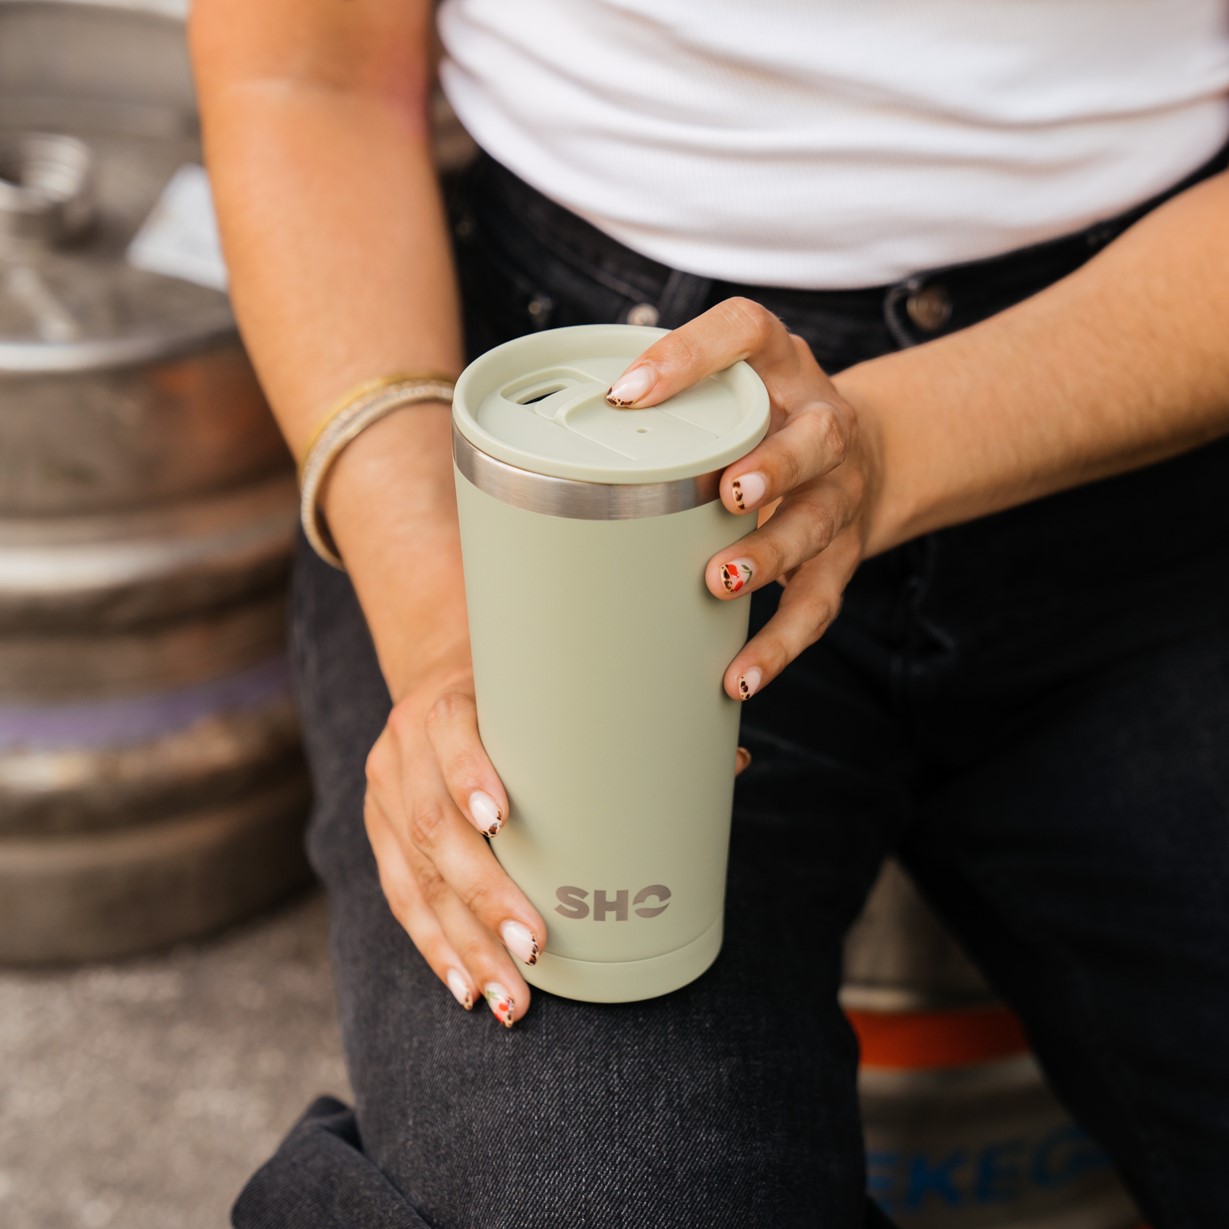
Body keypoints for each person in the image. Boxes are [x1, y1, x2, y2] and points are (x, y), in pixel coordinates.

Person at [189, 2, 1229, 1225]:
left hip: (1139, 380)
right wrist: (454, 635)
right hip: (558, 435)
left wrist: (885, 444)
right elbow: (305, 79)